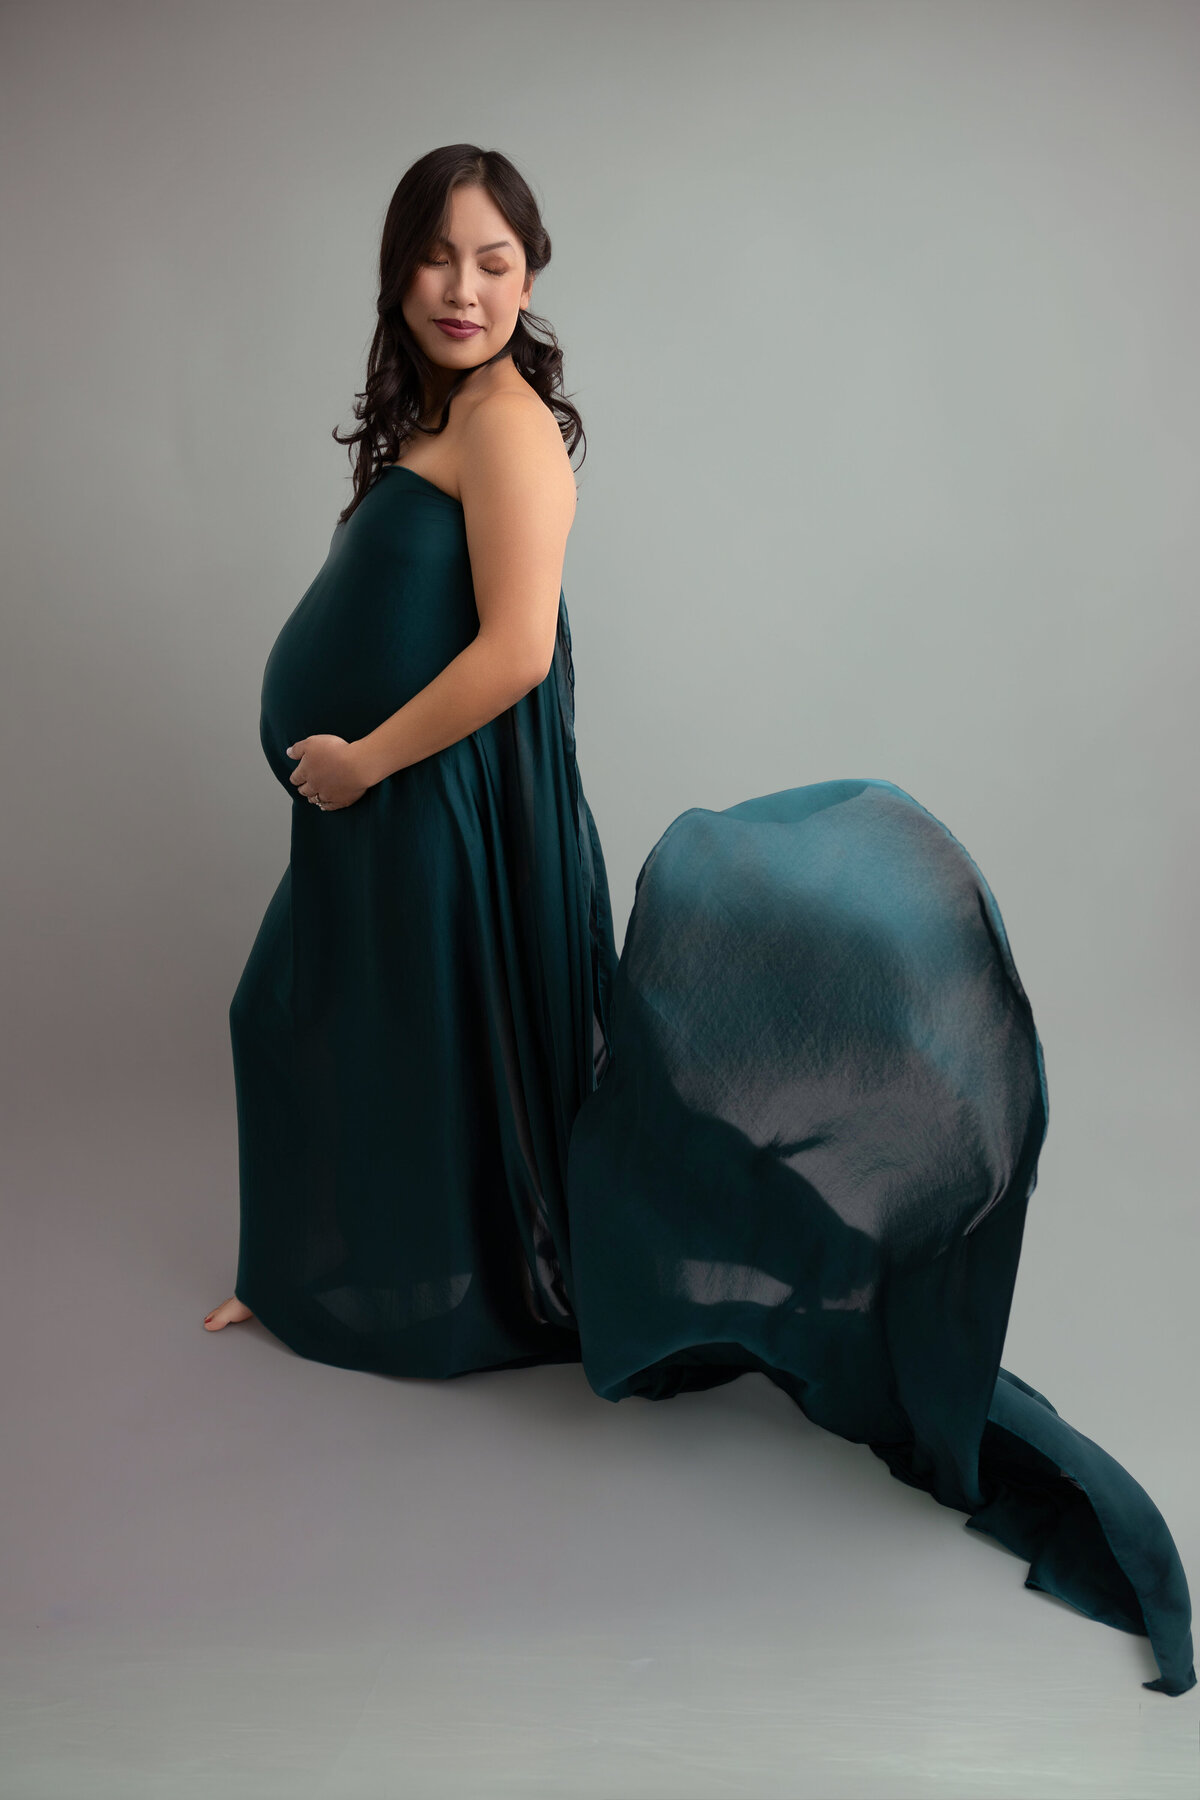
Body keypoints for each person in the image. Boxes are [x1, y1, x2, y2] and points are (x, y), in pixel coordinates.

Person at [206, 146, 1195, 1698]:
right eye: (435, 261)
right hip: (386, 809)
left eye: (494, 263)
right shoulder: (440, 415)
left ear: (532, 278)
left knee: (370, 1028)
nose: (463, 291)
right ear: (396, 275)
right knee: (322, 1016)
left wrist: (359, 759)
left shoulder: (515, 429)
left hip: (430, 798)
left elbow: (518, 653)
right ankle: (306, 1268)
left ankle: (419, 1276)